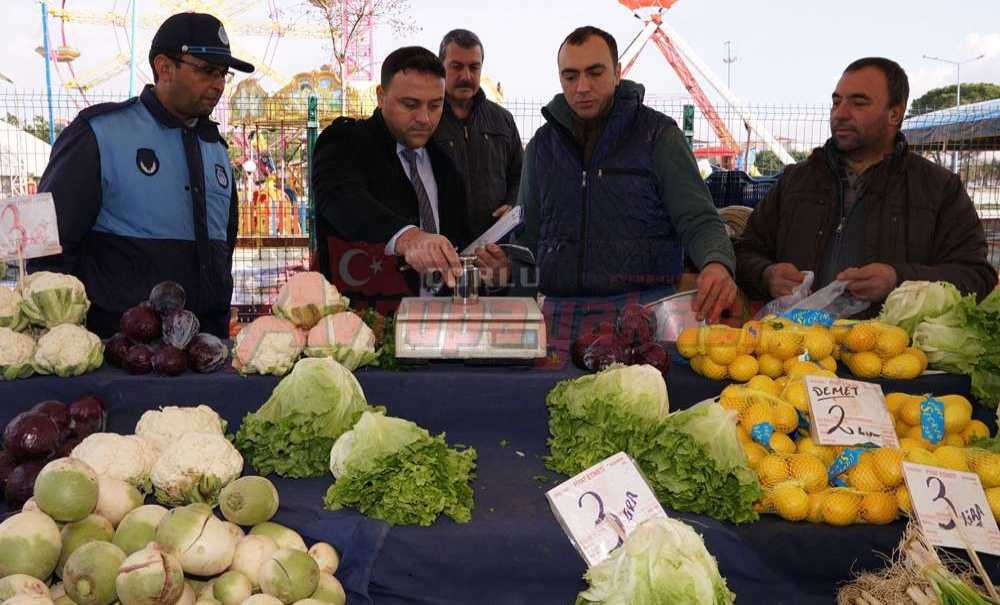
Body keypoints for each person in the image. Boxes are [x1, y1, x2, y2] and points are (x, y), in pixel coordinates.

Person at [29, 12, 254, 338]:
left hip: (205, 350)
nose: (218, 84)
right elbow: (48, 249)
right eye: (206, 71)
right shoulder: (99, 133)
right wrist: (64, 338)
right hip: (120, 355)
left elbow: (225, 246)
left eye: (223, 74)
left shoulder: (216, 149)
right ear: (164, 68)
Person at [513, 26, 737, 322]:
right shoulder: (541, 146)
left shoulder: (659, 136)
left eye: (595, 73)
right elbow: (526, 236)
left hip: (646, 311)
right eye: (571, 76)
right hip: (558, 311)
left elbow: (698, 218)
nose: (582, 87)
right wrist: (508, 276)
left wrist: (717, 262)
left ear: (617, 73)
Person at [736, 57, 997, 305]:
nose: (840, 113)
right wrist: (766, 275)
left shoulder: (939, 188)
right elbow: (744, 252)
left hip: (893, 349)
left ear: (894, 114)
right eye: (836, 102)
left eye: (858, 103)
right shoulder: (795, 181)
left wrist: (899, 280)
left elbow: (975, 276)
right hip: (793, 346)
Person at [313, 46, 505, 306]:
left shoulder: (445, 166)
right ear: (381, 96)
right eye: (410, 105)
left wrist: (489, 268)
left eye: (435, 105)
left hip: (439, 328)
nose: (424, 118)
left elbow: (459, 244)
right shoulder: (347, 142)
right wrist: (408, 237)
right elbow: (341, 199)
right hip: (362, 328)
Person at [433, 29, 523, 238]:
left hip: (495, 247)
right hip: (442, 246)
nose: (466, 76)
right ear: (441, 67)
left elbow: (520, 173)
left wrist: (513, 202)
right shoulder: (427, 120)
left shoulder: (503, 120)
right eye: (456, 67)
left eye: (474, 67)